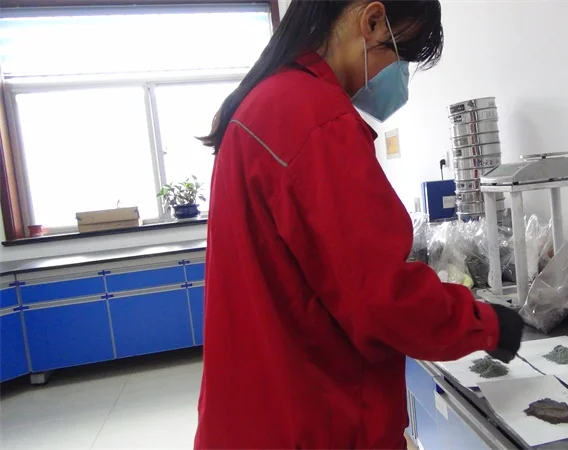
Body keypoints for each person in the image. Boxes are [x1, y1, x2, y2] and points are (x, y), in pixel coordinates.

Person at [194, 1, 524, 448]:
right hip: (314, 420)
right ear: (371, 22)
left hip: (255, 412)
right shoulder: (315, 118)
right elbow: (382, 296)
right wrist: (487, 323)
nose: (399, 77)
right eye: (403, 56)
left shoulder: (263, 104)